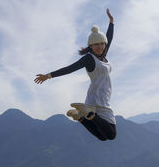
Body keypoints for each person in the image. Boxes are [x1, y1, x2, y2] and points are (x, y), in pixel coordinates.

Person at [34, 9, 116, 141]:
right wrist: (48, 76)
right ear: (90, 46)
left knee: (103, 136)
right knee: (111, 134)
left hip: (103, 97)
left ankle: (81, 117)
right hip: (97, 98)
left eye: (102, 43)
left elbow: (109, 39)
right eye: (96, 44)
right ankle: (89, 113)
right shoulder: (89, 59)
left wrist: (111, 23)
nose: (100, 46)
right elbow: (70, 68)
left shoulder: (103, 56)